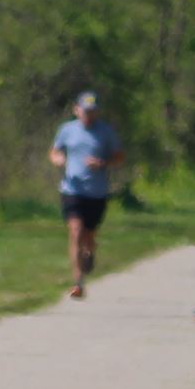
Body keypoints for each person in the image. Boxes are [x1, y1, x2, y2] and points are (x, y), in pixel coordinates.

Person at [48, 92, 125, 300]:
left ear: (97, 112)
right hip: (72, 189)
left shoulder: (106, 132)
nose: (88, 115)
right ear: (76, 110)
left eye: (92, 111)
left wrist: (102, 163)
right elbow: (54, 151)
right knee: (75, 231)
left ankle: (90, 251)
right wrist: (58, 159)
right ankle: (78, 282)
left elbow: (119, 157)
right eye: (85, 111)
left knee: (88, 235)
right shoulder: (67, 130)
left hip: (97, 192)